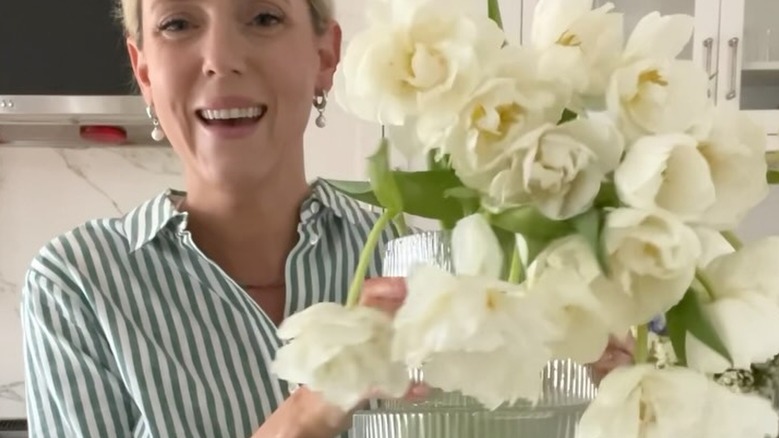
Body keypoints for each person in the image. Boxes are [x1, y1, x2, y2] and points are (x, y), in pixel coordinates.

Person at [19, 0, 631, 437]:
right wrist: (313, 410)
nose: (221, 58)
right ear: (145, 71)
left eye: (263, 17)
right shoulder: (77, 283)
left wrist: (579, 380)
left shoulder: (409, 260)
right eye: (178, 23)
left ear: (324, 55)